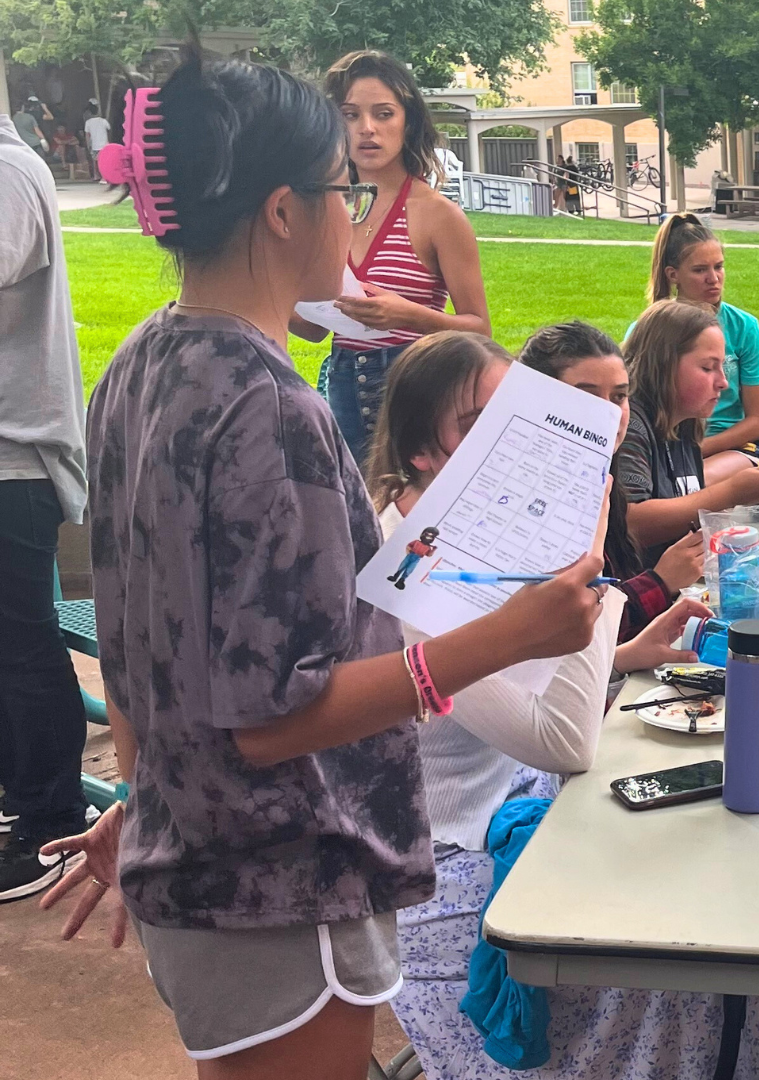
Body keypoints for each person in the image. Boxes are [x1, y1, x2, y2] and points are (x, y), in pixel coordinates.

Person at [36, 53, 603, 1076]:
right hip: (277, 887)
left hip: (194, 863)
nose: (355, 214)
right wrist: (508, 639)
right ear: (284, 213)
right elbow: (273, 717)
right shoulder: (272, 409)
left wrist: (143, 796)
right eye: (341, 189)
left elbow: (142, 644)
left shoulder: (140, 363)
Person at [364, 331, 759, 1080]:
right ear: (421, 450)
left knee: (735, 910)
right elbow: (561, 740)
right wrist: (590, 569)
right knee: (690, 968)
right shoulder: (410, 561)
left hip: (524, 812)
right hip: (448, 870)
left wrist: (625, 654)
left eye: (515, 420)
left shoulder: (476, 524)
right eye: (478, 426)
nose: (510, 444)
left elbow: (517, 682)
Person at [297, 50, 491, 466]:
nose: (367, 129)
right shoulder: (326, 208)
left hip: (415, 398)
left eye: (383, 114)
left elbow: (481, 333)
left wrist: (410, 315)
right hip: (340, 393)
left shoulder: (438, 214)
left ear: (408, 121)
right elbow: (313, 332)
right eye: (350, 115)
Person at [0, 95, 92, 902]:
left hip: (15, 459)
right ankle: (18, 801)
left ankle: (47, 825)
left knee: (23, 644)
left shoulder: (8, 169)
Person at [519, 320, 707, 649]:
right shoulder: (534, 500)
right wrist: (661, 581)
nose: (609, 412)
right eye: (587, 397)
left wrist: (631, 654)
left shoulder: (602, 477)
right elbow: (574, 632)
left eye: (619, 396)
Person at [615, 299, 759, 568]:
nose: (723, 383)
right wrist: (730, 493)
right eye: (707, 368)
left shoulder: (685, 423)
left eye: (722, 367)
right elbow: (631, 523)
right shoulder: (631, 423)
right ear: (664, 365)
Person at [646, 213, 759, 485]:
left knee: (692, 482)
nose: (713, 278)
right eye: (700, 270)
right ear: (673, 275)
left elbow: (757, 422)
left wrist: (695, 451)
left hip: (732, 446)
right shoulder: (649, 330)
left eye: (719, 267)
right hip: (668, 449)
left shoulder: (744, 327)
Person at [83, 104, 110, 183]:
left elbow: (87, 135)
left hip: (95, 145)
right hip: (105, 144)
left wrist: (88, 145)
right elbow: (109, 129)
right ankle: (103, 177)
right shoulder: (103, 121)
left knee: (96, 161)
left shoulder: (88, 122)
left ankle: (98, 176)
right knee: (104, 161)